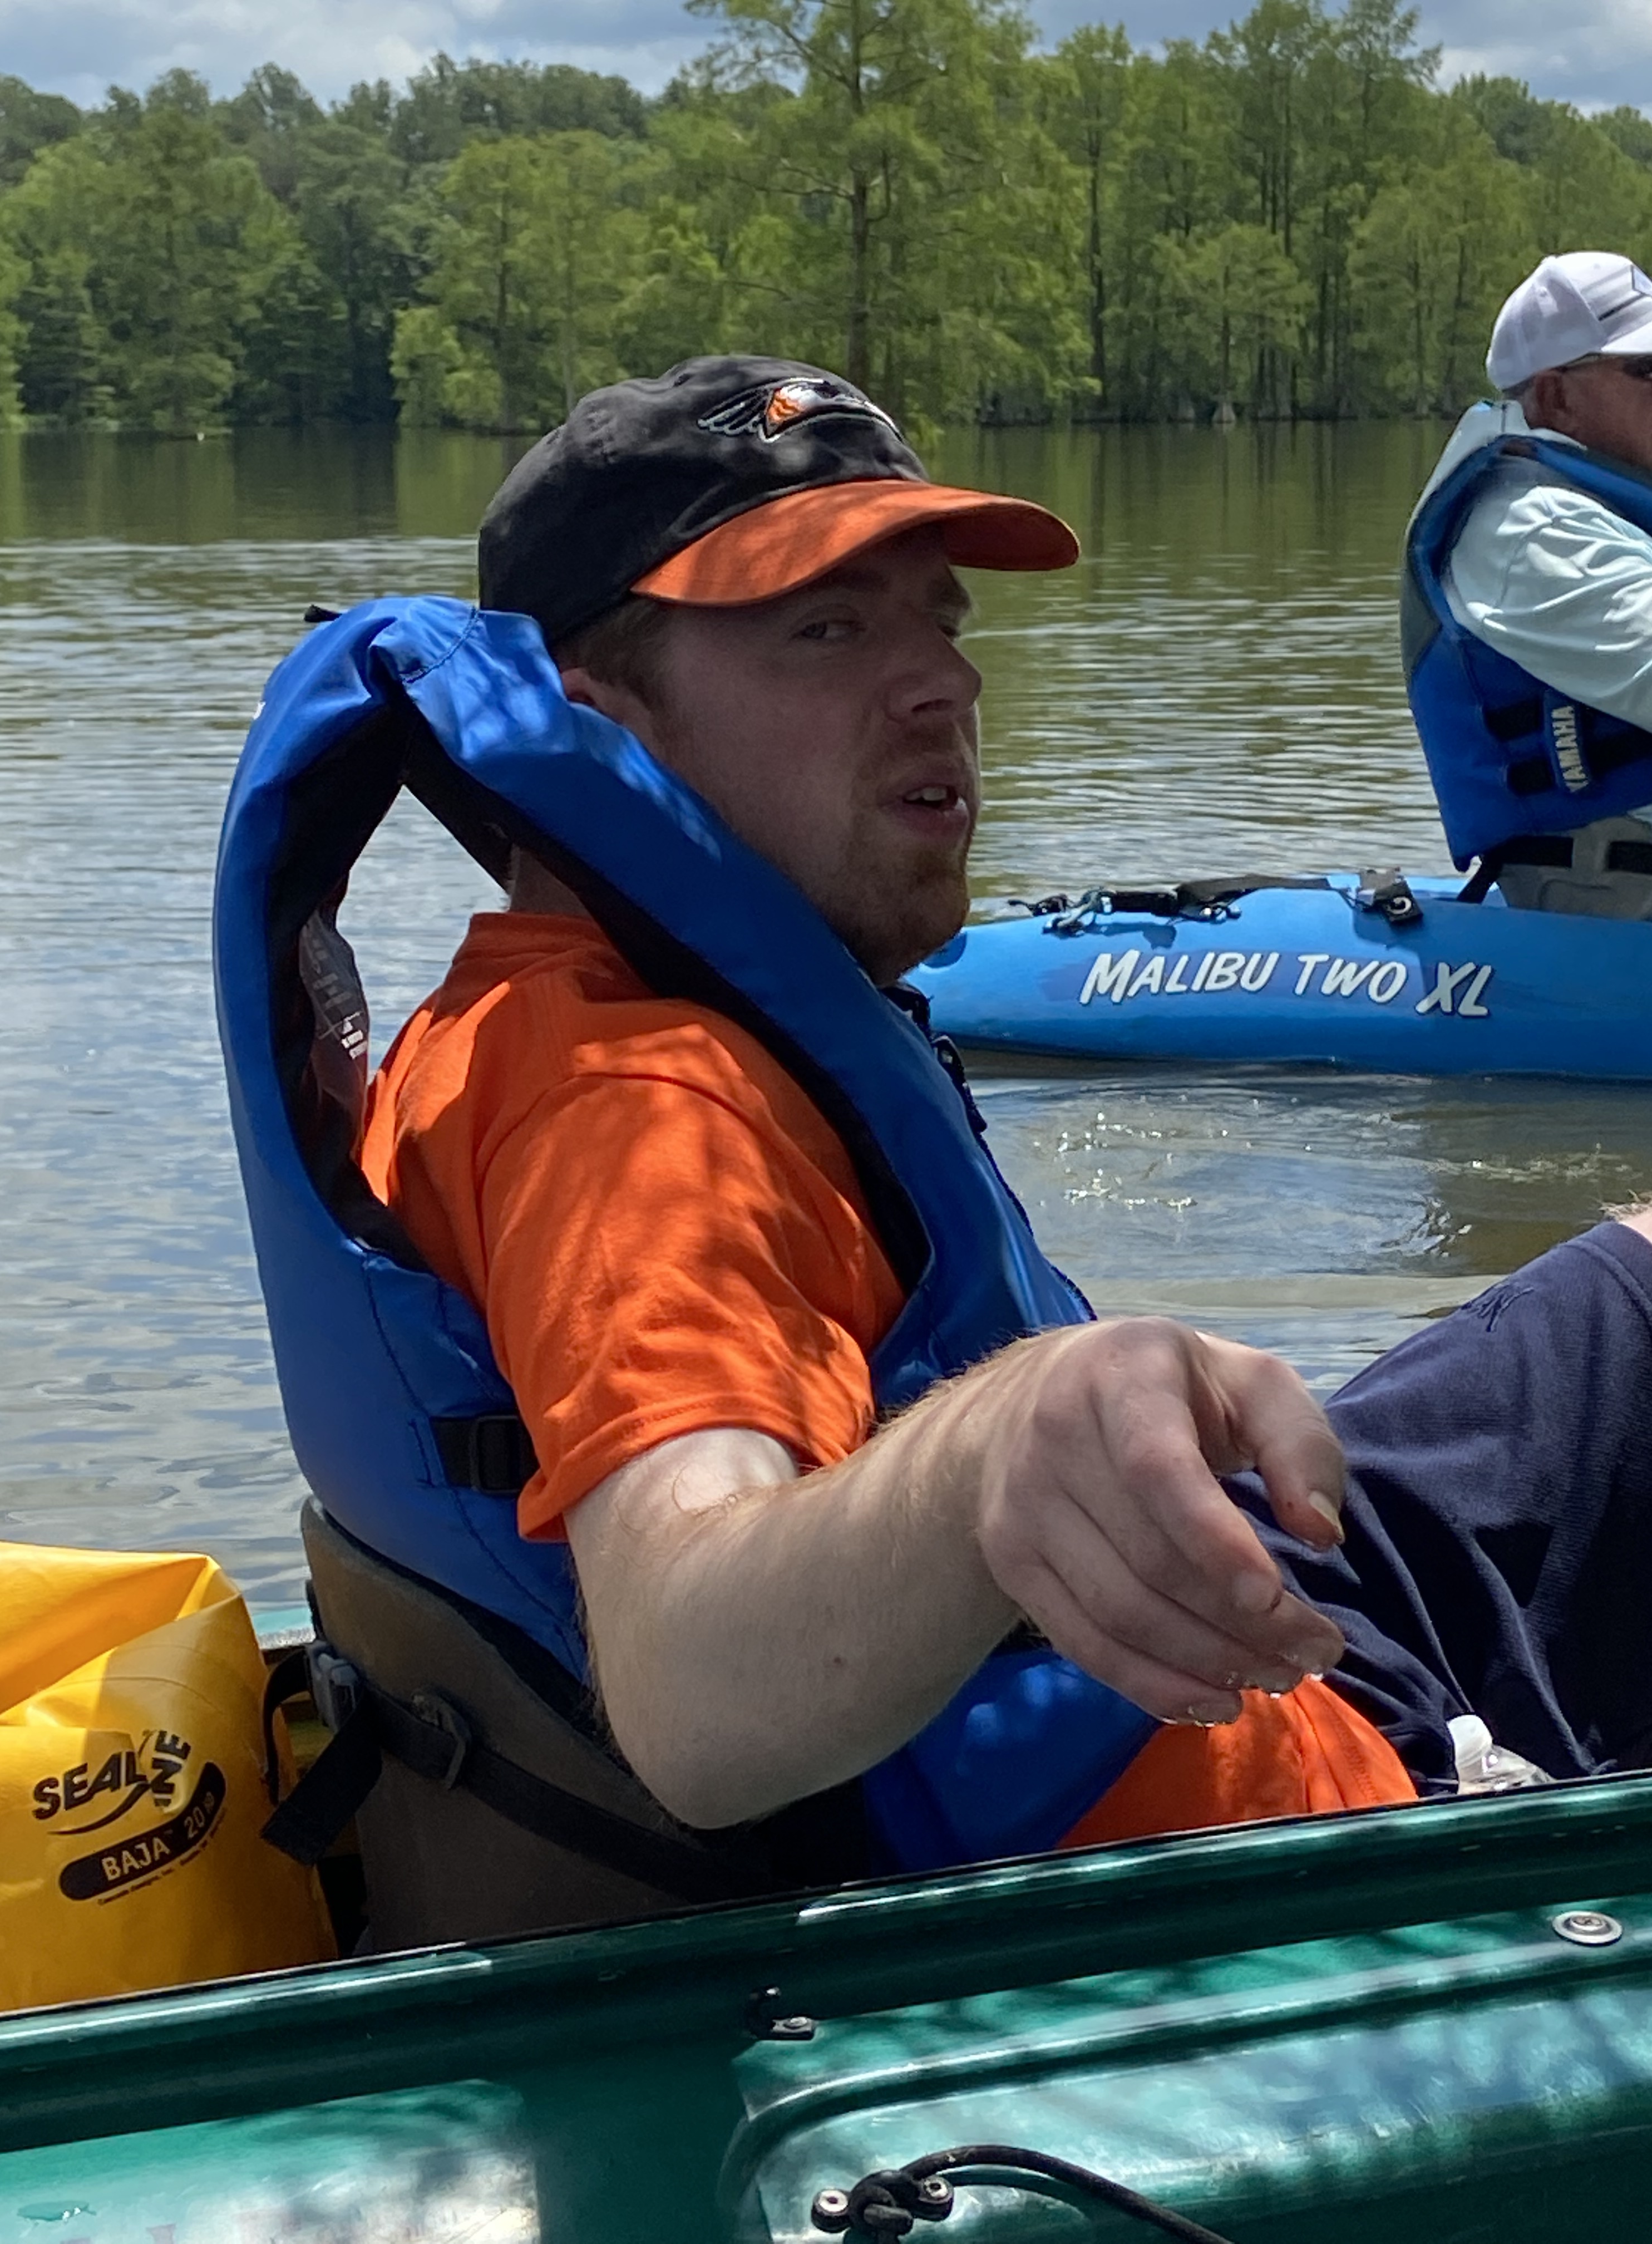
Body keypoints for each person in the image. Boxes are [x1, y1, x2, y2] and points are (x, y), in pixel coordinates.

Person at [280, 352, 1652, 1946]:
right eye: (828, 629)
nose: (944, 682)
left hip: (1185, 1641)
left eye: (939, 617)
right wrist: (1001, 1438)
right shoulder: (642, 1107)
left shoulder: (551, 1005)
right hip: (1302, 1796)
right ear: (601, 732)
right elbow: (692, 1686)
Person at [1405, 251, 1652, 917]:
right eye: (1649, 371)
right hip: (1612, 903)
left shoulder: (1607, 501)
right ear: (1556, 396)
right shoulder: (1529, 528)